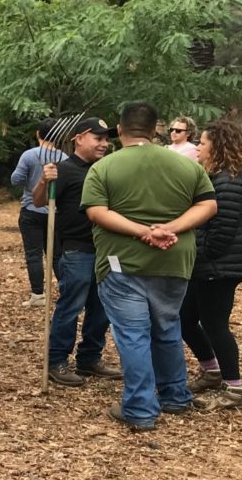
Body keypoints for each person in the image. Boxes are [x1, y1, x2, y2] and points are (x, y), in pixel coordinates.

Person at [82, 101, 217, 430]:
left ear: (119, 129)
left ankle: (140, 408)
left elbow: (96, 211)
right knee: (167, 327)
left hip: (122, 262)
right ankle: (175, 396)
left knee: (133, 335)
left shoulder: (104, 168)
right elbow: (208, 205)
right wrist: (171, 228)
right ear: (156, 129)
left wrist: (143, 231)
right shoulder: (185, 165)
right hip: (174, 260)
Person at [33, 118, 123, 386]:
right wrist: (44, 180)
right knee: (71, 305)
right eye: (98, 138)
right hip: (76, 250)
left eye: (106, 139)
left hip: (106, 249)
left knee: (102, 307)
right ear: (79, 138)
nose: (104, 144)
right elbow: (39, 201)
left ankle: (89, 358)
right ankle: (56, 360)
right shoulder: (63, 169)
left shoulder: (105, 169)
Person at [181, 118, 242, 410]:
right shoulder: (218, 177)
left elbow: (221, 233)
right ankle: (212, 369)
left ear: (217, 146)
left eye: (202, 143)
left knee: (215, 324)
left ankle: (235, 387)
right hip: (208, 266)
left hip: (218, 268)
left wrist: (199, 254)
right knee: (185, 319)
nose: (198, 148)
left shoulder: (228, 182)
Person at [11, 122, 57, 307]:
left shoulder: (30, 155)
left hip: (31, 210)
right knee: (56, 254)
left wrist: (31, 180)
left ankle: (38, 295)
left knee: (34, 254)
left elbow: (16, 179)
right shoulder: (63, 157)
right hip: (55, 212)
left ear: (38, 134)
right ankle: (67, 292)